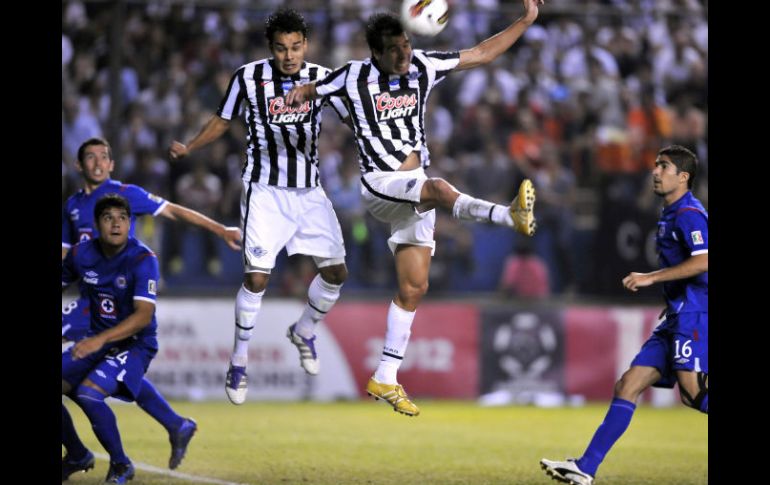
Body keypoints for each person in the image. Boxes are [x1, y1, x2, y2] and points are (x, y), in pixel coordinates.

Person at [285, 0, 544, 416]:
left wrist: (526, 20)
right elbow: (316, 87)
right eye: (395, 49)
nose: (405, 53)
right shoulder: (353, 77)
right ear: (376, 53)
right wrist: (302, 91)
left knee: (413, 288)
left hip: (412, 188)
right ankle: (507, 215)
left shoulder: (423, 65)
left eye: (407, 44)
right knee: (439, 188)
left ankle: (385, 375)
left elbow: (480, 53)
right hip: (381, 185)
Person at [168, 8, 351, 405]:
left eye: (296, 47)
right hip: (265, 191)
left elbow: (353, 113)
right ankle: (238, 361)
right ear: (271, 47)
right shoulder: (248, 78)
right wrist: (190, 145)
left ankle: (303, 331)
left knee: (337, 273)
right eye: (282, 48)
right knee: (257, 279)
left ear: (307, 45)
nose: (289, 55)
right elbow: (222, 120)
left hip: (309, 191)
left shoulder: (321, 78)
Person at [62, 137, 241, 476]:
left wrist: (220, 229)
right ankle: (85, 450)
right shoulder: (72, 206)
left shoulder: (125, 196)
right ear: (78, 165)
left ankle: (116, 460)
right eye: (91, 157)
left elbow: (172, 210)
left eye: (105, 157)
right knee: (93, 373)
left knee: (92, 385)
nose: (98, 163)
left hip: (116, 313)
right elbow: (65, 258)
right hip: (90, 303)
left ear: (112, 165)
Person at [540, 145, 708, 485]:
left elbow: (705, 260)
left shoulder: (690, 212)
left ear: (684, 176)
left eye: (664, 166)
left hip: (695, 311)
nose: (655, 171)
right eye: (656, 165)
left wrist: (651, 277)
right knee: (627, 384)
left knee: (692, 394)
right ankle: (585, 468)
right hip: (675, 315)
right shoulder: (669, 212)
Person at [61, 194, 161, 483]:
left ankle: (121, 464)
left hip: (136, 344)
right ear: (96, 224)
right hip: (98, 341)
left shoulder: (143, 259)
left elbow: (143, 316)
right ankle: (78, 454)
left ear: (130, 223)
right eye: (108, 218)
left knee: (88, 393)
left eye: (122, 218)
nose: (116, 224)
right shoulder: (82, 254)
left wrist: (98, 340)